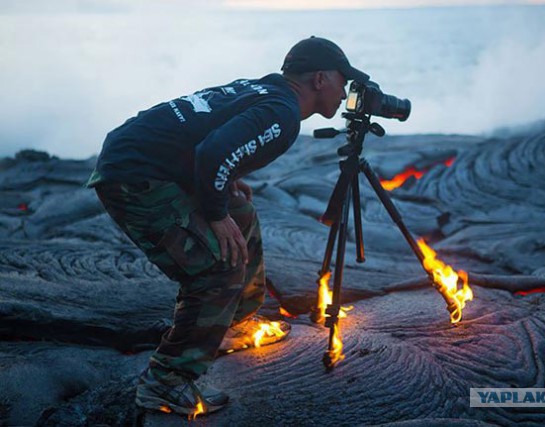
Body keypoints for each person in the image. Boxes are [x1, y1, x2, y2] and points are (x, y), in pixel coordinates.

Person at [86, 36, 369, 416]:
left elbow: (208, 135)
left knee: (242, 213)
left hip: (144, 158)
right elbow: (212, 151)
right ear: (320, 79)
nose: (345, 89)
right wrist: (215, 213)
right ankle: (166, 381)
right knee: (217, 267)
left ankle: (232, 323)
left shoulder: (264, 88)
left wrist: (223, 182)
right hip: (134, 176)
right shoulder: (282, 113)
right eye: (342, 79)